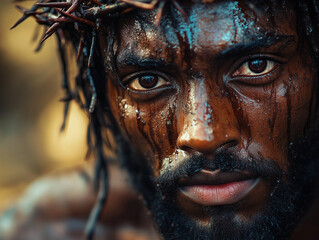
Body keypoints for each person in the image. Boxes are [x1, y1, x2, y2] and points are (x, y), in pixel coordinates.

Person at [3, 0, 319, 239]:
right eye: (148, 81)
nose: (203, 136)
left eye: (257, 66)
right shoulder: (55, 229)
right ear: (104, 97)